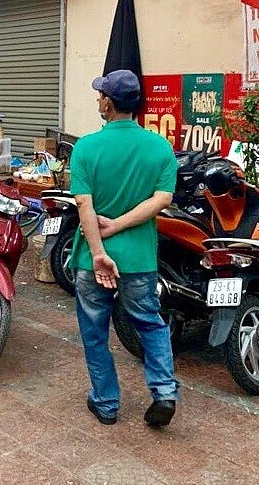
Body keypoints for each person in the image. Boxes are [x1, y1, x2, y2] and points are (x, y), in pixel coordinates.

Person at [69, 69, 179, 427]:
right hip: (139, 259)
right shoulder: (160, 148)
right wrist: (121, 225)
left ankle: (106, 402)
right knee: (150, 324)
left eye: (101, 94)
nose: (98, 99)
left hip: (93, 259)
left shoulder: (85, 147)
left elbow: (85, 206)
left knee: (94, 331)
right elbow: (162, 199)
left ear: (108, 103)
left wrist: (100, 250)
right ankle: (164, 391)